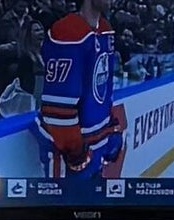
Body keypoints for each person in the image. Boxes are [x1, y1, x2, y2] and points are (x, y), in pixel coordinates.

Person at [34, 6, 126, 186]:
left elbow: (102, 93)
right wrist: (76, 153)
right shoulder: (67, 32)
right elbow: (57, 109)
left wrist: (110, 132)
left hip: (95, 149)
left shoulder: (105, 29)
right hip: (69, 157)